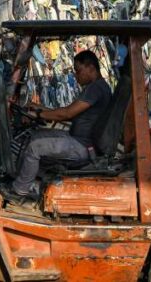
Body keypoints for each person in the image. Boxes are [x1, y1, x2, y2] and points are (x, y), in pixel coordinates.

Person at [7, 49, 113, 200]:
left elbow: (66, 114)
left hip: (82, 146)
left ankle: (19, 191)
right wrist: (35, 106)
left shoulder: (96, 88)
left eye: (78, 71)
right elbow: (66, 112)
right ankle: (33, 180)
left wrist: (37, 114)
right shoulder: (96, 88)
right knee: (35, 135)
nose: (76, 76)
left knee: (35, 147)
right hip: (78, 138)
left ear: (91, 68)